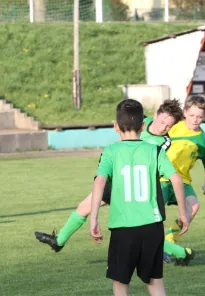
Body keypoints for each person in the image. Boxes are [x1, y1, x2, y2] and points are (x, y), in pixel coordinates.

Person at [35, 100, 194, 265]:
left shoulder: (162, 142)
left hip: (132, 185)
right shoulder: (142, 122)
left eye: (168, 126)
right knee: (84, 207)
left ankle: (181, 252)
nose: (163, 128)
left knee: (140, 232)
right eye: (162, 122)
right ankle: (58, 241)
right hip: (117, 177)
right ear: (155, 115)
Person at [90, 99, 189, 296]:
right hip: (152, 227)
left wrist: (94, 218)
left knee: (121, 288)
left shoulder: (110, 151)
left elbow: (100, 181)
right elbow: (176, 178)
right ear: (143, 124)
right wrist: (183, 212)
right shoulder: (153, 150)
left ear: (116, 126)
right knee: (156, 285)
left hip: (123, 229)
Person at [162, 95, 205, 256]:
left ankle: (169, 243)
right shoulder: (173, 127)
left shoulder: (202, 139)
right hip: (162, 177)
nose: (195, 120)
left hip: (182, 180)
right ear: (185, 112)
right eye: (192, 115)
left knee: (194, 205)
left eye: (199, 117)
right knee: (157, 214)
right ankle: (155, 246)